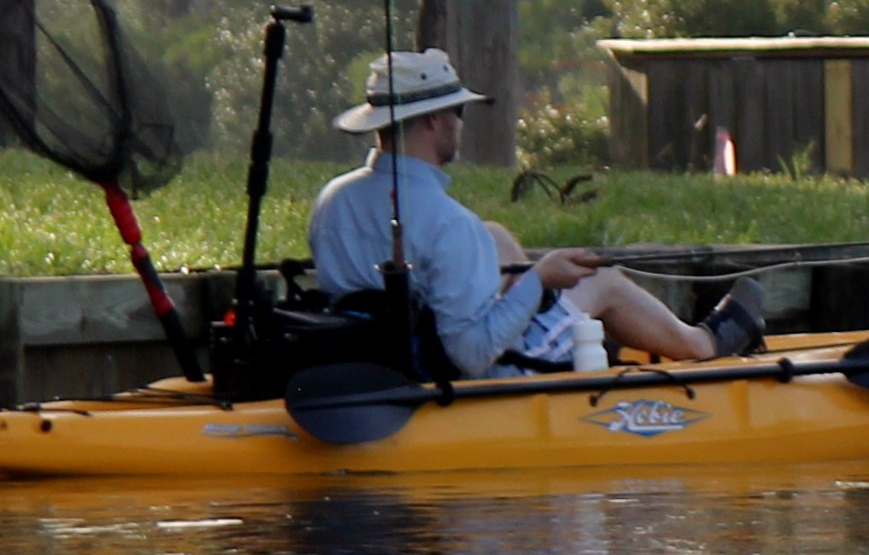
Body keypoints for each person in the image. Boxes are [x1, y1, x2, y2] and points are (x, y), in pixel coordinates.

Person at [307, 48, 762, 377]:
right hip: (472, 374)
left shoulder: (332, 200)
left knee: (497, 237)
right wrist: (540, 279)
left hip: (379, 356)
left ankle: (566, 324)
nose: (461, 125)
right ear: (433, 121)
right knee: (597, 279)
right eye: (457, 114)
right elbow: (470, 354)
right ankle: (702, 345)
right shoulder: (446, 223)